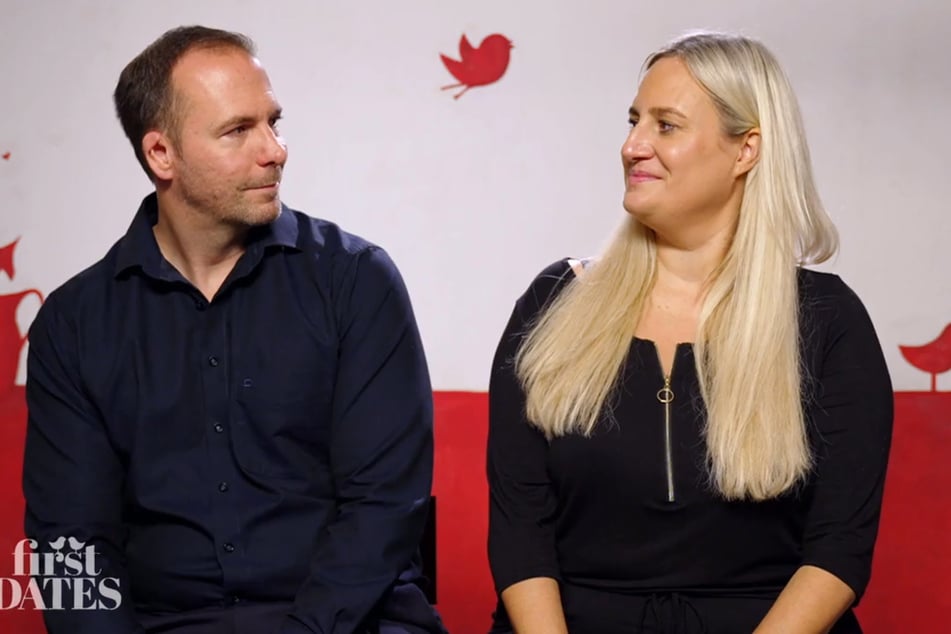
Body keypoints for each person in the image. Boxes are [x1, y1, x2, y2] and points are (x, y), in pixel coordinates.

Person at [23, 25, 445, 634]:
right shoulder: (74, 323)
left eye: (273, 122)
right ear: (161, 155)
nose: (274, 149)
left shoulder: (354, 280)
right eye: (238, 130)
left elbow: (383, 507)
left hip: (350, 624)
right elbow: (72, 545)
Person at [487, 31, 893, 634]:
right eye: (632, 121)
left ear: (745, 150)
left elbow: (838, 551)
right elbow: (521, 529)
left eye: (666, 126)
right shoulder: (553, 303)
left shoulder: (828, 320)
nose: (632, 146)